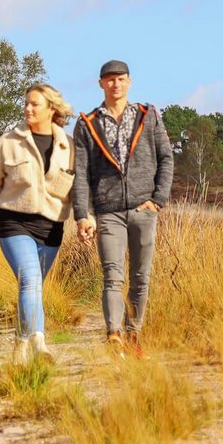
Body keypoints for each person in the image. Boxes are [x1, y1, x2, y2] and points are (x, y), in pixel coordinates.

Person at [0, 84, 77, 365]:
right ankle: (39, 342)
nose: (27, 108)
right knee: (30, 279)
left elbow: (80, 190)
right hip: (14, 223)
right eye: (26, 103)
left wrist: (88, 220)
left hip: (51, 229)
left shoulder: (69, 147)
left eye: (34, 104)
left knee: (34, 288)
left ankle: (20, 345)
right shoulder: (8, 143)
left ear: (52, 108)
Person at [70, 60, 173, 359]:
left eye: (121, 79)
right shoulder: (87, 123)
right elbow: (81, 172)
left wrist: (157, 200)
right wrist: (82, 215)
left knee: (141, 277)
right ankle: (113, 334)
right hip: (108, 209)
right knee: (112, 275)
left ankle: (133, 334)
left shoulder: (148, 114)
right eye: (110, 79)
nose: (116, 84)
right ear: (101, 83)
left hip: (144, 209)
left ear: (130, 82)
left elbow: (166, 158)